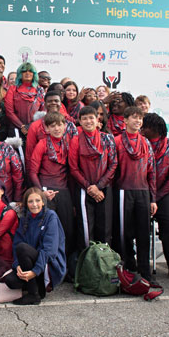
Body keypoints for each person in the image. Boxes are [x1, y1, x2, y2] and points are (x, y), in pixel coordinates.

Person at [27, 112, 75, 275]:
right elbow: (32, 171)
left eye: (59, 124)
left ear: (64, 126)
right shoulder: (42, 144)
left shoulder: (69, 142)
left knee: (67, 230)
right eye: (52, 125)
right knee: (47, 232)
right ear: (46, 128)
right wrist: (41, 193)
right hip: (46, 190)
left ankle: (65, 267)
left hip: (64, 191)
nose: (56, 128)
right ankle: (46, 269)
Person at [114, 106, 157, 284]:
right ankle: (128, 269)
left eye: (140, 118)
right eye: (134, 118)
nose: (138, 121)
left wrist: (153, 198)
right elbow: (112, 169)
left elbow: (152, 171)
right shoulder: (116, 141)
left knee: (143, 233)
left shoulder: (146, 143)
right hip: (124, 191)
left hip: (143, 191)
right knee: (124, 232)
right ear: (125, 120)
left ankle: (145, 273)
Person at [6, 187, 67, 305]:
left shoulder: (50, 216)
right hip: (30, 262)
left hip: (47, 264)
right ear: (26, 204)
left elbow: (49, 250)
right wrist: (17, 264)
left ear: (43, 202)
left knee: (23, 248)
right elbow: (16, 244)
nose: (34, 205)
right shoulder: (24, 219)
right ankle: (37, 287)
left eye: (37, 201)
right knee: (11, 281)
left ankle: (34, 294)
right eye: (30, 201)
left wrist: (34, 271)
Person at [69, 105, 117, 248]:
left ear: (98, 120)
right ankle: (87, 265)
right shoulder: (75, 140)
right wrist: (90, 188)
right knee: (85, 231)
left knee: (105, 229)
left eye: (91, 118)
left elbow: (113, 164)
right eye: (84, 119)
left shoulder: (108, 138)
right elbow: (73, 168)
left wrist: (99, 186)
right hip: (84, 189)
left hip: (104, 190)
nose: (88, 121)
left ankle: (104, 264)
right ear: (80, 121)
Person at [141, 113, 169, 279]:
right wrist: (149, 197)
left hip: (164, 193)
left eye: (145, 127)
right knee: (138, 228)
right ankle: (141, 268)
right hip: (143, 193)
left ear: (155, 129)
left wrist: (156, 198)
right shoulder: (141, 143)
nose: (142, 129)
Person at [25, 91, 77, 155]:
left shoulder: (70, 125)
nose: (53, 103)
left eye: (56, 101)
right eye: (50, 101)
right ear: (45, 104)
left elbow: (75, 150)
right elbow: (30, 151)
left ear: (61, 104)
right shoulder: (35, 125)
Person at [5, 62, 44, 138]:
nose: (27, 73)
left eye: (30, 71)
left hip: (35, 128)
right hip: (16, 129)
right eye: (24, 71)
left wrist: (31, 126)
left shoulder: (40, 90)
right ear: (20, 74)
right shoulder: (13, 89)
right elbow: (9, 111)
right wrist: (22, 126)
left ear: (34, 74)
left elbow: (43, 111)